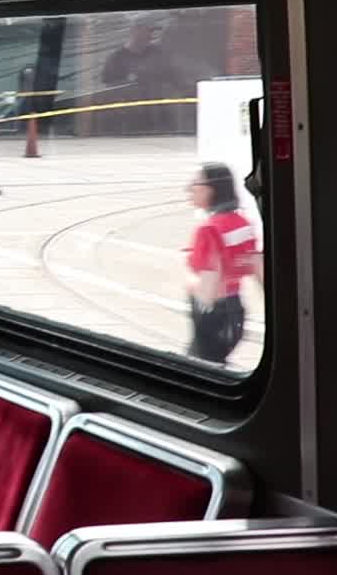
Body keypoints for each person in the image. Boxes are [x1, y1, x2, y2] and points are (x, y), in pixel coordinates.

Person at [184, 162, 258, 365]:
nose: (190, 188)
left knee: (198, 368)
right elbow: (255, 267)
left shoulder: (208, 230)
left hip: (212, 317)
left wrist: (191, 285)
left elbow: (208, 291)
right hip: (236, 311)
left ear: (212, 190)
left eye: (196, 183)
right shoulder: (242, 224)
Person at [100, 19, 183, 134]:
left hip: (160, 116)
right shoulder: (117, 58)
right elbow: (108, 86)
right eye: (147, 30)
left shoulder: (158, 54)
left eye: (152, 32)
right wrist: (129, 83)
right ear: (134, 31)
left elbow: (173, 79)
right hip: (130, 117)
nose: (150, 35)